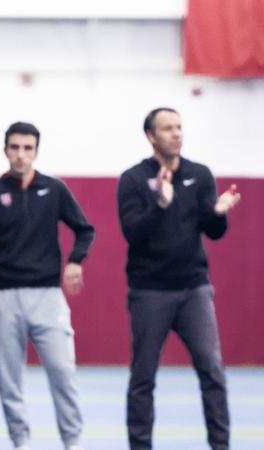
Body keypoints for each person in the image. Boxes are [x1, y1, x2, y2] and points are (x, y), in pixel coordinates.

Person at [0, 121, 94, 450]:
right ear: (6, 150)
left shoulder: (55, 189)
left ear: (36, 151)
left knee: (63, 372)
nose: (21, 155)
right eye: (15, 147)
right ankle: (20, 442)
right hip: (3, 299)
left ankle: (72, 442)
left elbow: (84, 229)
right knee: (9, 380)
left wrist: (75, 260)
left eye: (27, 148)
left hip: (48, 296)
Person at [118, 107, 240, 450]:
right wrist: (159, 204)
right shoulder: (132, 180)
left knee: (212, 373)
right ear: (151, 136)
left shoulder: (199, 175)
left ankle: (221, 445)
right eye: (168, 128)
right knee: (143, 379)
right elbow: (133, 234)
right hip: (149, 292)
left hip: (194, 291)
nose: (176, 133)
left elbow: (213, 232)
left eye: (179, 127)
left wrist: (218, 213)